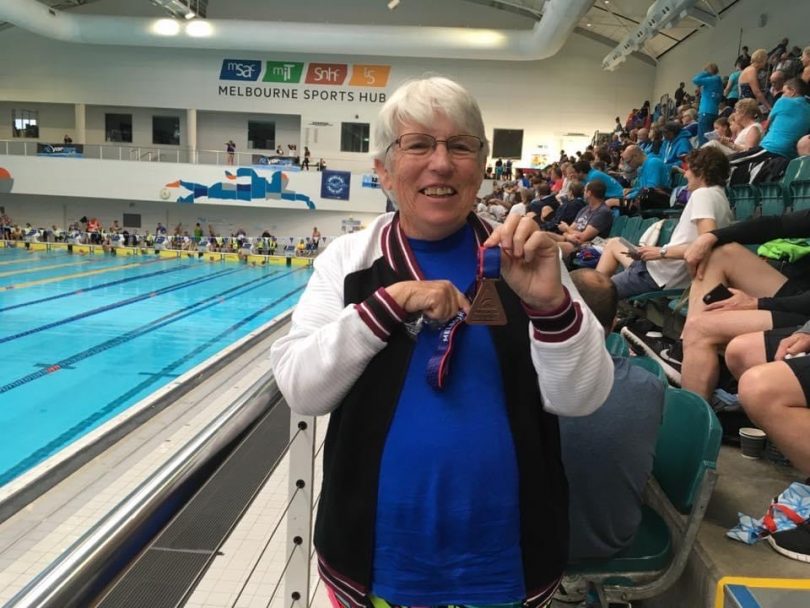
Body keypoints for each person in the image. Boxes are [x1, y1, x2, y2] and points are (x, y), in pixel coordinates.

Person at [269, 76, 613, 608]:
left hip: (507, 563)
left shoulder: (522, 254)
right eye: (418, 144)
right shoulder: (349, 261)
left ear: (481, 166)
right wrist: (388, 305)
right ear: (383, 169)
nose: (442, 163)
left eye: (460, 146)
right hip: (377, 562)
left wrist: (550, 306)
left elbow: (582, 397)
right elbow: (301, 389)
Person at [561, 269, 665, 561]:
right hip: (611, 541)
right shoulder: (650, 387)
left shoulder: (509, 381)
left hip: (527, 547)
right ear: (613, 325)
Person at [679, 206, 810, 399]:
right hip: (800, 293)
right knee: (721, 252)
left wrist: (758, 303)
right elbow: (777, 224)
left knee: (698, 328)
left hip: (804, 312)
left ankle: (692, 419)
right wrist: (712, 236)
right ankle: (687, 352)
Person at [596, 147, 733, 300]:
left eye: (688, 170)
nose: (686, 175)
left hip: (660, 276)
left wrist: (660, 252)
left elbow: (707, 244)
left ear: (701, 172)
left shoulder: (703, 194)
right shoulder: (721, 197)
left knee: (597, 292)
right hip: (661, 270)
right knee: (614, 243)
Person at [617, 144, 671, 211]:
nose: (628, 165)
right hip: (650, 201)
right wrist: (632, 190)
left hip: (659, 203)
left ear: (635, 156)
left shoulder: (653, 163)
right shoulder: (641, 168)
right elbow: (644, 188)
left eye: (628, 162)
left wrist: (629, 196)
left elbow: (651, 190)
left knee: (618, 205)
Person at [692, 63, 724, 145]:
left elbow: (695, 79)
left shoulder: (712, 80)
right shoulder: (719, 82)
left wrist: (707, 73)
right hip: (713, 112)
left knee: (703, 140)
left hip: (705, 112)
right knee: (710, 139)